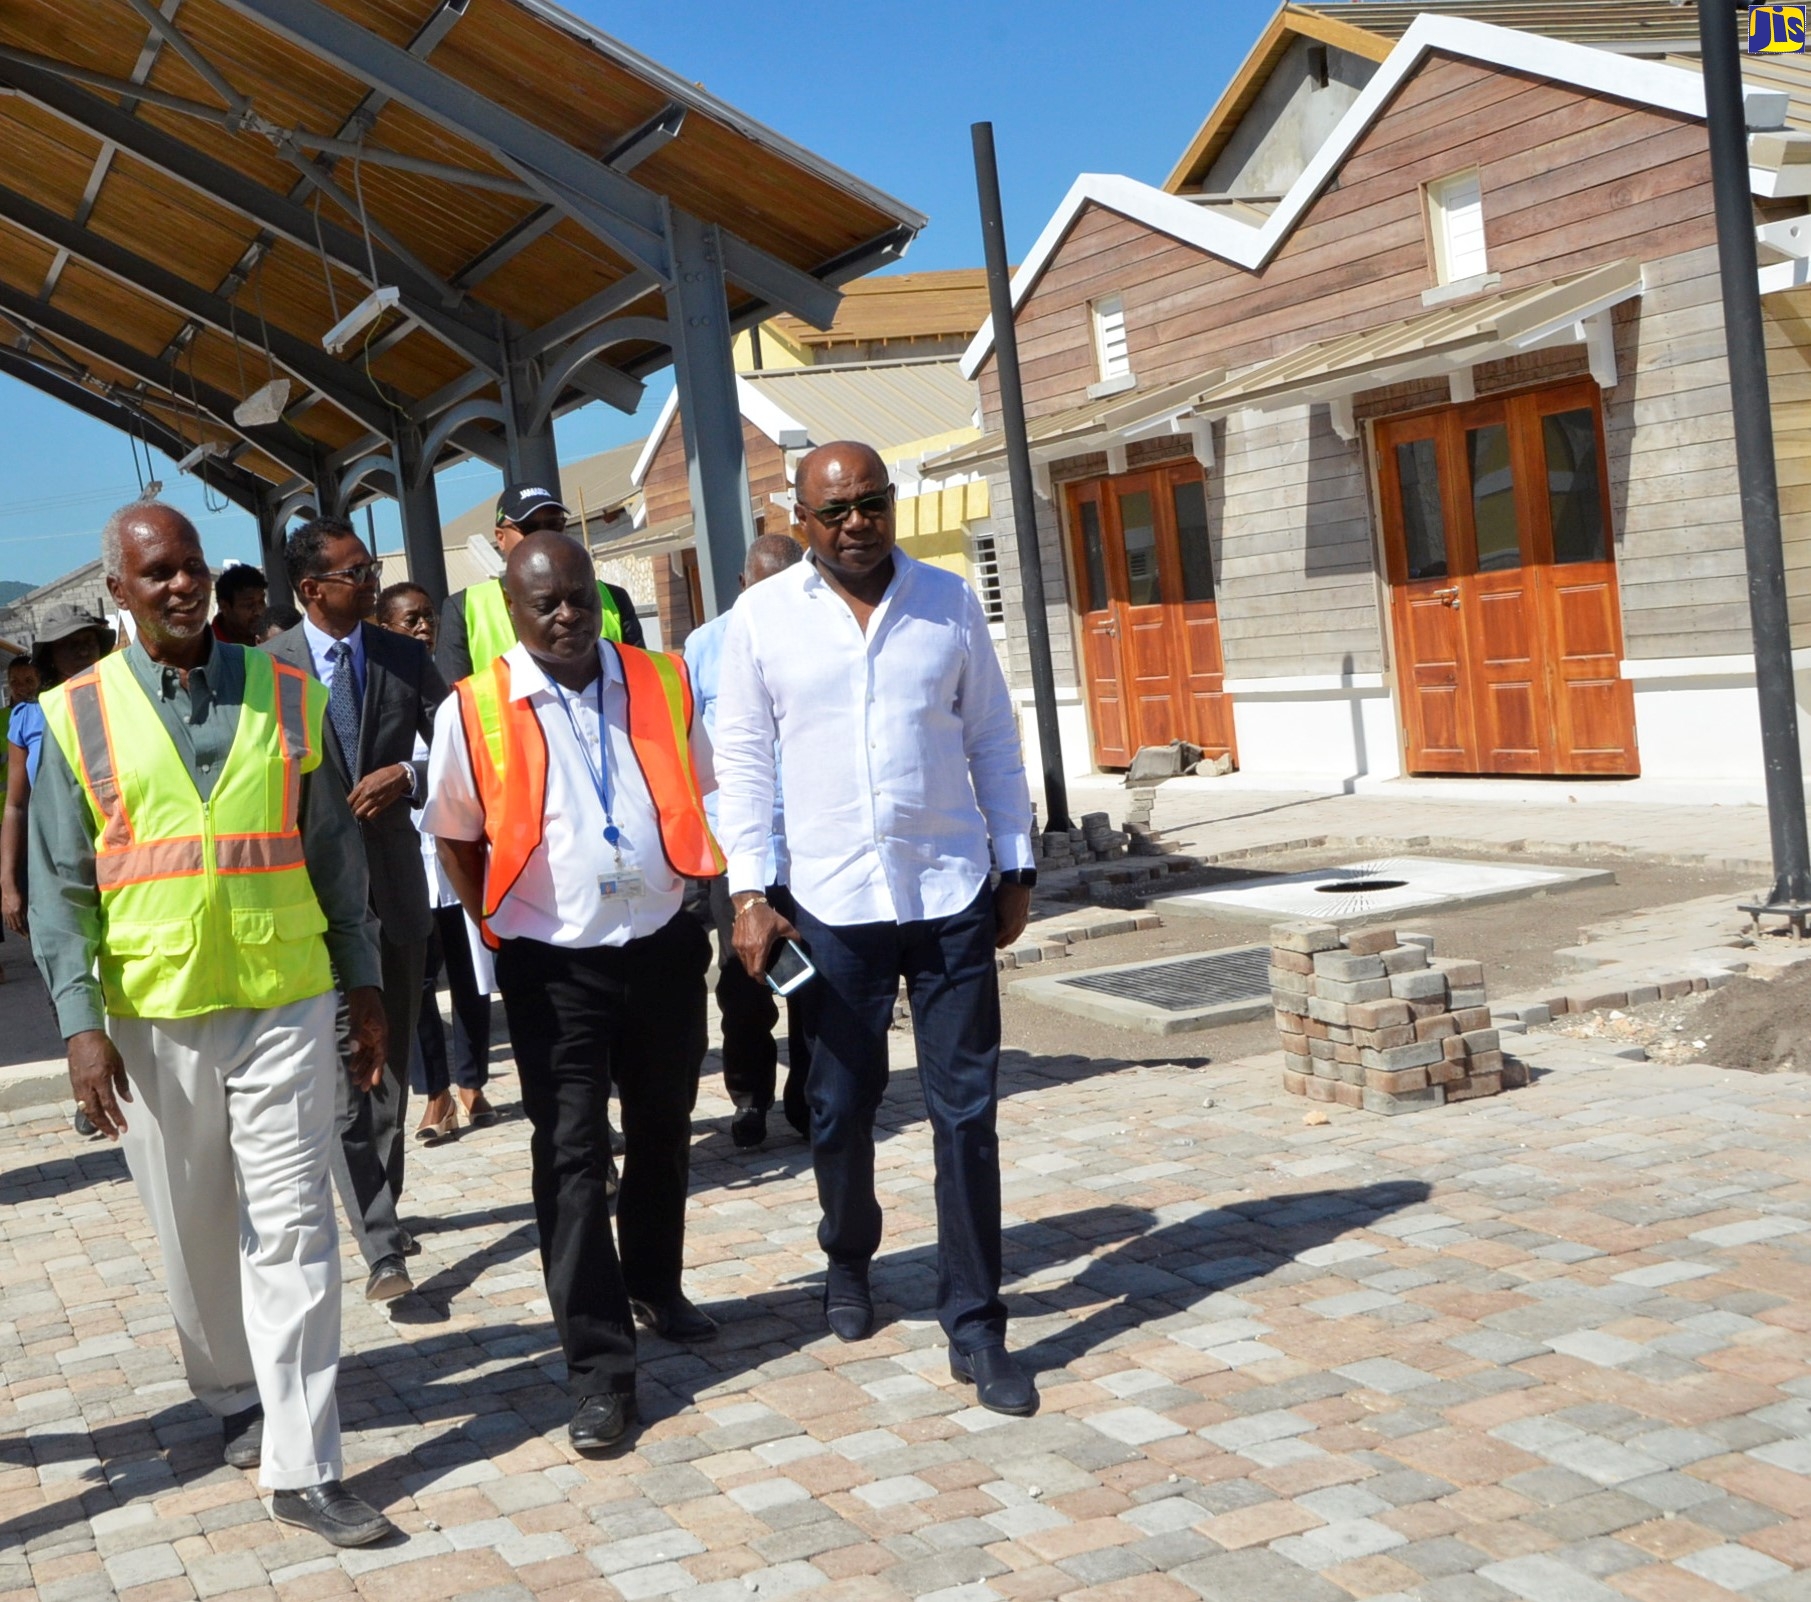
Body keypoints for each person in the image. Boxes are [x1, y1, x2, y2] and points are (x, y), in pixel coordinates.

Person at [29, 501, 392, 1545]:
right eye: (157, 576)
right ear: (120, 595)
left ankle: (303, 1461)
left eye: (191, 567)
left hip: (286, 998)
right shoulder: (74, 713)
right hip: (154, 1015)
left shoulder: (286, 690)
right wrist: (78, 1022)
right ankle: (230, 1389)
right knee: (193, 1233)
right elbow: (60, 887)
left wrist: (360, 977)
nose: (181, 587)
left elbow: (331, 852)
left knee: (294, 1227)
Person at [717, 442, 1039, 1417]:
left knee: (965, 1116)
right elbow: (742, 758)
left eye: (872, 504)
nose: (857, 524)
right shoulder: (762, 619)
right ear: (800, 519)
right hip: (830, 905)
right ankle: (846, 1256)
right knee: (839, 1103)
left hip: (947, 895)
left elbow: (989, 732)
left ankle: (975, 1324)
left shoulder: (946, 601)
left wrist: (1015, 859)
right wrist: (749, 891)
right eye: (835, 511)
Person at [423, 532, 716, 1453]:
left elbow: (703, 788)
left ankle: (656, 1285)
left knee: (665, 1131)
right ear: (510, 610)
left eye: (578, 597)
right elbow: (456, 837)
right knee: (574, 1158)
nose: (564, 615)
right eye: (543, 601)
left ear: (599, 595)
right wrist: (502, 925)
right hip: (555, 969)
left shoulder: (660, 680)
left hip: (663, 947)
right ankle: (599, 1370)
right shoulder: (474, 708)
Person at [266, 521, 448, 1304]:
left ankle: (385, 1210)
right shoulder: (265, 669)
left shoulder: (405, 656)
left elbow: (467, 747)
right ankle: (380, 1244)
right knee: (349, 1067)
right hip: (311, 899)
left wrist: (409, 772)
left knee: (393, 1064)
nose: (371, 582)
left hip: (397, 886)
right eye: (354, 573)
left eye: (370, 568)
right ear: (312, 590)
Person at [684, 534, 809, 1149]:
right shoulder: (704, 648)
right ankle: (749, 1097)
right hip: (737, 848)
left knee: (814, 978)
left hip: (810, 842)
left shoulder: (818, 633)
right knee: (744, 983)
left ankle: (808, 1092)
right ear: (741, 585)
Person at [376, 582, 496, 1142]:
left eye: (427, 617)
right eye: (408, 620)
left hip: (454, 853)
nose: (423, 626)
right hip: (410, 863)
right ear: (384, 627)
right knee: (418, 986)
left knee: (470, 975)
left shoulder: (455, 693)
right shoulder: (381, 688)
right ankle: (436, 1094)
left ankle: (473, 1082)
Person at [3, 610, 113, 1127]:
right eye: (69, 647)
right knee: (64, 968)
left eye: (89, 643)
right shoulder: (31, 717)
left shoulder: (124, 705)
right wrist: (9, 881)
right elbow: (17, 805)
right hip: (47, 859)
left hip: (113, 859)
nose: (83, 653)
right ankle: (86, 1080)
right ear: (49, 658)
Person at [436, 483, 643, 682]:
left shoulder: (613, 598)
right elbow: (456, 699)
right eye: (529, 528)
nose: (544, 535)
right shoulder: (464, 608)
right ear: (500, 538)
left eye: (554, 525)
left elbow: (641, 680)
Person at [213, 563, 268, 646]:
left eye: (262, 601)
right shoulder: (205, 647)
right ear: (224, 607)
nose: (259, 611)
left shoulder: (274, 638)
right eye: (249, 605)